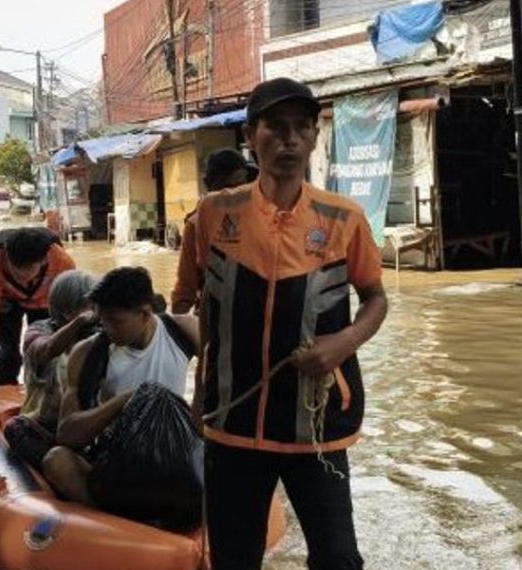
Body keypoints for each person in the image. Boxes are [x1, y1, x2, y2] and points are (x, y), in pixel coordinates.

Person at [194, 77, 389, 569]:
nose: (290, 140)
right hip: (233, 425)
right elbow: (193, 304)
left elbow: (375, 299)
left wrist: (343, 343)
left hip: (316, 425)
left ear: (315, 138)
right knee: (234, 559)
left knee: (339, 558)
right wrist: (197, 389)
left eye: (302, 128)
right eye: (276, 128)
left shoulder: (343, 217)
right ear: (251, 135)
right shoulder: (213, 215)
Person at [42, 266, 198, 506]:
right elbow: (67, 434)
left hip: (174, 450)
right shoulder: (88, 352)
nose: (106, 328)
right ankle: (111, 521)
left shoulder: (183, 330)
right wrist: (123, 401)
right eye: (102, 319)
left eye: (115, 321)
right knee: (57, 460)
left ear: (145, 314)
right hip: (120, 459)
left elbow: (222, 383)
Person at [2, 270, 99, 469]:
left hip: (84, 427)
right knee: (16, 429)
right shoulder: (38, 330)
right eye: (92, 306)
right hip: (45, 426)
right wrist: (79, 322)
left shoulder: (101, 334)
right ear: (69, 312)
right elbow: (46, 351)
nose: (98, 312)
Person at [0, 227, 76, 391]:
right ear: (7, 257)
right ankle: (5, 389)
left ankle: (43, 389)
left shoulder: (63, 263)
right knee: (8, 351)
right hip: (8, 302)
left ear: (43, 261)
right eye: (16, 269)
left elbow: (69, 309)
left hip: (45, 301)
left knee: (42, 348)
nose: (21, 277)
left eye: (28, 270)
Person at [171, 148, 254, 315]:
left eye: (243, 186)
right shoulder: (196, 225)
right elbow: (185, 291)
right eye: (231, 187)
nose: (236, 193)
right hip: (215, 317)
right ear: (212, 187)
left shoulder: (260, 218)